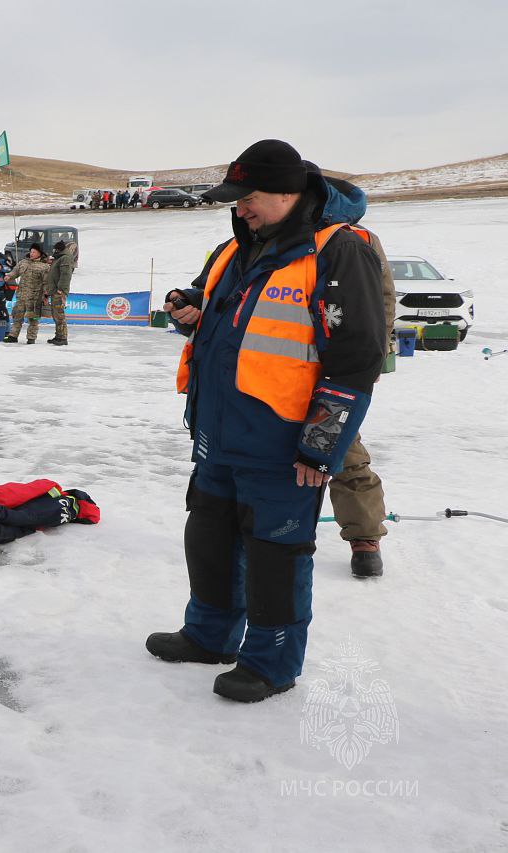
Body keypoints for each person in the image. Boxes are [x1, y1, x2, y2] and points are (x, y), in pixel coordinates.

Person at [146, 139, 386, 703]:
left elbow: (355, 359)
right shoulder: (235, 249)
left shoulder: (337, 251)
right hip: (217, 432)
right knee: (208, 535)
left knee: (276, 552)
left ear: (288, 194)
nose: (240, 209)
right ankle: (209, 635)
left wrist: (320, 446)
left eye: (248, 198)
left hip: (283, 442)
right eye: (235, 199)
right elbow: (219, 311)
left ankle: (271, 661)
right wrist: (189, 306)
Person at [329, 232, 396, 578]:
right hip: (277, 364)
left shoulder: (357, 240)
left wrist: (374, 355)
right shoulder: (273, 229)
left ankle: (365, 539)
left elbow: (382, 300)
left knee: (343, 446)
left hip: (337, 365)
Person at [2, 243, 50, 343]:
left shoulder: (44, 267)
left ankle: (31, 338)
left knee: (33, 319)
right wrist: (9, 276)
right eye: (31, 251)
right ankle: (13, 336)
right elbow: (15, 271)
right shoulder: (24, 262)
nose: (31, 254)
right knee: (17, 316)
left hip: (34, 298)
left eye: (34, 252)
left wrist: (46, 296)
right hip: (21, 296)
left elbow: (46, 283)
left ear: (39, 254)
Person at [45, 239, 77, 345]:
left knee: (59, 315)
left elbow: (65, 275)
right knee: (56, 314)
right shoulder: (60, 258)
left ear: (59, 249)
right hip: (54, 291)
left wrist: (61, 289)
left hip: (59, 292)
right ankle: (58, 336)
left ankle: (63, 337)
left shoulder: (65, 258)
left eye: (55, 249)